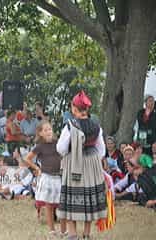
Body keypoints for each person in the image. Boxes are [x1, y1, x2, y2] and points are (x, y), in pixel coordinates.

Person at [56, 91, 106, 240]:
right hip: (91, 164)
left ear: (74, 109)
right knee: (89, 197)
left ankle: (72, 234)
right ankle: (87, 233)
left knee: (72, 197)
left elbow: (61, 148)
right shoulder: (96, 126)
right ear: (87, 109)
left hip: (74, 163)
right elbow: (101, 150)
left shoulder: (70, 126)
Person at [25, 121, 66, 237]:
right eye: (46, 130)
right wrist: (37, 168)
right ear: (41, 133)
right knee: (48, 205)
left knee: (62, 204)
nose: (49, 132)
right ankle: (52, 230)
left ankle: (64, 231)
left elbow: (64, 155)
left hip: (58, 177)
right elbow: (27, 159)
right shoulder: (40, 146)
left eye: (50, 129)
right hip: (47, 177)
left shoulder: (58, 143)